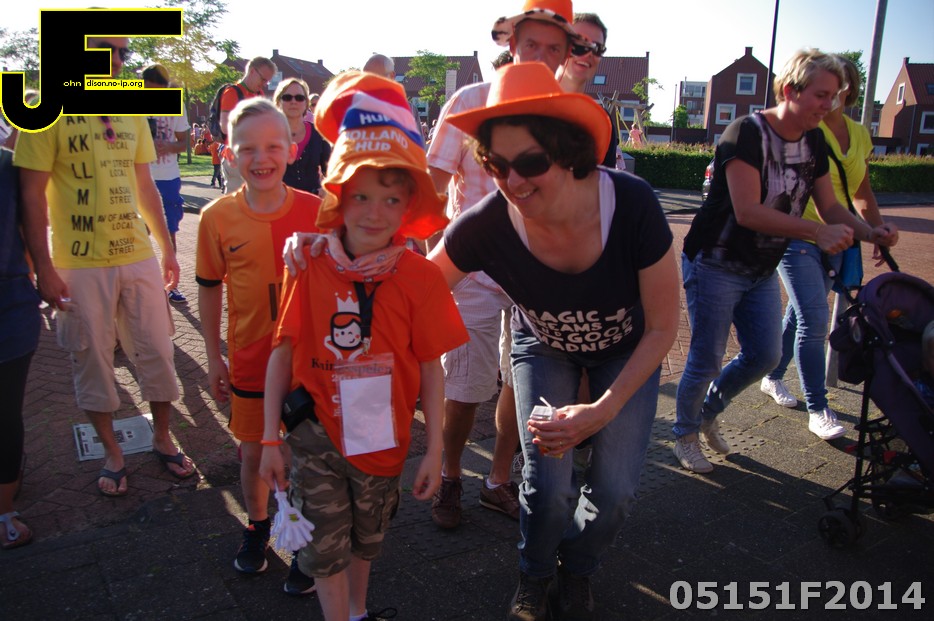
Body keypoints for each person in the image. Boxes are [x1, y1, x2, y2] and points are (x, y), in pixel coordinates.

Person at [430, 61, 679, 621]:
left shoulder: (631, 204)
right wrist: (335, 249)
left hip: (625, 351)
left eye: (531, 162)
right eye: (496, 166)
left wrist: (603, 410)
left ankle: (579, 564)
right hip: (544, 347)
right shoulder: (488, 222)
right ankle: (535, 571)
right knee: (547, 486)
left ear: (568, 152)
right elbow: (416, 290)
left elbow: (664, 327)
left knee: (613, 493)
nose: (514, 182)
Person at [260, 71, 467, 621]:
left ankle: (357, 611)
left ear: (408, 206)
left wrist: (436, 450)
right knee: (323, 549)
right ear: (339, 196)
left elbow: (432, 367)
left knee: (366, 540)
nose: (375, 212)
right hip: (315, 433)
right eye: (361, 196)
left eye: (391, 199)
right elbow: (282, 351)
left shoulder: (421, 277)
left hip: (383, 438)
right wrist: (269, 437)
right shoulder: (309, 263)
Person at [673, 49, 898, 474]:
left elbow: (831, 206)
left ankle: (706, 414)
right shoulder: (745, 132)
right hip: (715, 262)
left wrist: (872, 232)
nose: (829, 104)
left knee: (764, 355)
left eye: (834, 95)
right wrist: (815, 232)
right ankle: (684, 434)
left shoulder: (813, 141)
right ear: (791, 90)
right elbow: (748, 212)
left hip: (760, 267)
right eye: (821, 95)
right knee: (706, 358)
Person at [426, 0, 585, 531]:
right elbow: (432, 187)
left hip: (533, 276)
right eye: (530, 44)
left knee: (521, 384)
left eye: (553, 48)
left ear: (566, 54)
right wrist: (427, 259)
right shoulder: (470, 101)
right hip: (470, 272)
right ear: (511, 44)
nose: (540, 56)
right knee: (464, 386)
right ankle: (450, 475)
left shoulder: (564, 114)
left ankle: (497, 480)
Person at [14, 35, 196, 496]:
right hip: (78, 264)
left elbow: (144, 185)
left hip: (136, 255)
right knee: (92, 360)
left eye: (121, 51)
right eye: (104, 48)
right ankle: (113, 453)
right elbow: (31, 196)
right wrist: (42, 266)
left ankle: (162, 437)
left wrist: (167, 248)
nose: (115, 59)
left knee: (158, 351)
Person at [197, 97, 322, 588]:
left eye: (272, 146)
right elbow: (209, 288)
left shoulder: (317, 211)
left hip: (309, 364)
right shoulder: (216, 217)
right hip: (250, 361)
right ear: (229, 154)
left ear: (292, 150)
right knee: (253, 455)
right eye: (247, 148)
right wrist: (213, 356)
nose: (261, 157)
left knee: (309, 456)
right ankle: (258, 525)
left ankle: (307, 539)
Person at [761, 54, 898, 439]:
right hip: (797, 237)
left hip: (838, 238)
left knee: (800, 315)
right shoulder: (806, 129)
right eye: (823, 90)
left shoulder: (860, 135)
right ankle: (818, 407)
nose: (830, 96)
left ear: (848, 90)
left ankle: (772, 375)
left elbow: (861, 192)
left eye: (838, 88)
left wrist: (875, 231)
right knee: (815, 318)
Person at [0, 134, 40, 550]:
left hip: (9, 307)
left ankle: (4, 507)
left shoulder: (8, 165)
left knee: (6, 412)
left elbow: (31, 227)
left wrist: (40, 272)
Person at [142, 63, 190, 304]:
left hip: (167, 177)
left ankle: (172, 285)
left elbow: (184, 142)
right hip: (139, 176)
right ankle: (143, 283)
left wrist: (168, 146)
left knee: (169, 232)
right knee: (138, 231)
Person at [557, 12, 619, 168]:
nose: (588, 54)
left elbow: (604, 179)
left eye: (597, 48)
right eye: (579, 43)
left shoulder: (601, 120)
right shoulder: (527, 106)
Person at [220, 57, 277, 194]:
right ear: (252, 72)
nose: (264, 84)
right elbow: (225, 127)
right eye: (263, 79)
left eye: (267, 81)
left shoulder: (258, 94)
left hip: (255, 157)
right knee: (236, 202)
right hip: (236, 158)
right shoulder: (232, 93)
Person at [274, 78, 331, 194]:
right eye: (287, 97)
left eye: (299, 98)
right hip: (278, 201)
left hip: (313, 200)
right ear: (279, 102)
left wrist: (327, 190)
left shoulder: (318, 133)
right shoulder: (268, 135)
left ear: (306, 103)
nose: (293, 102)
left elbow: (331, 172)